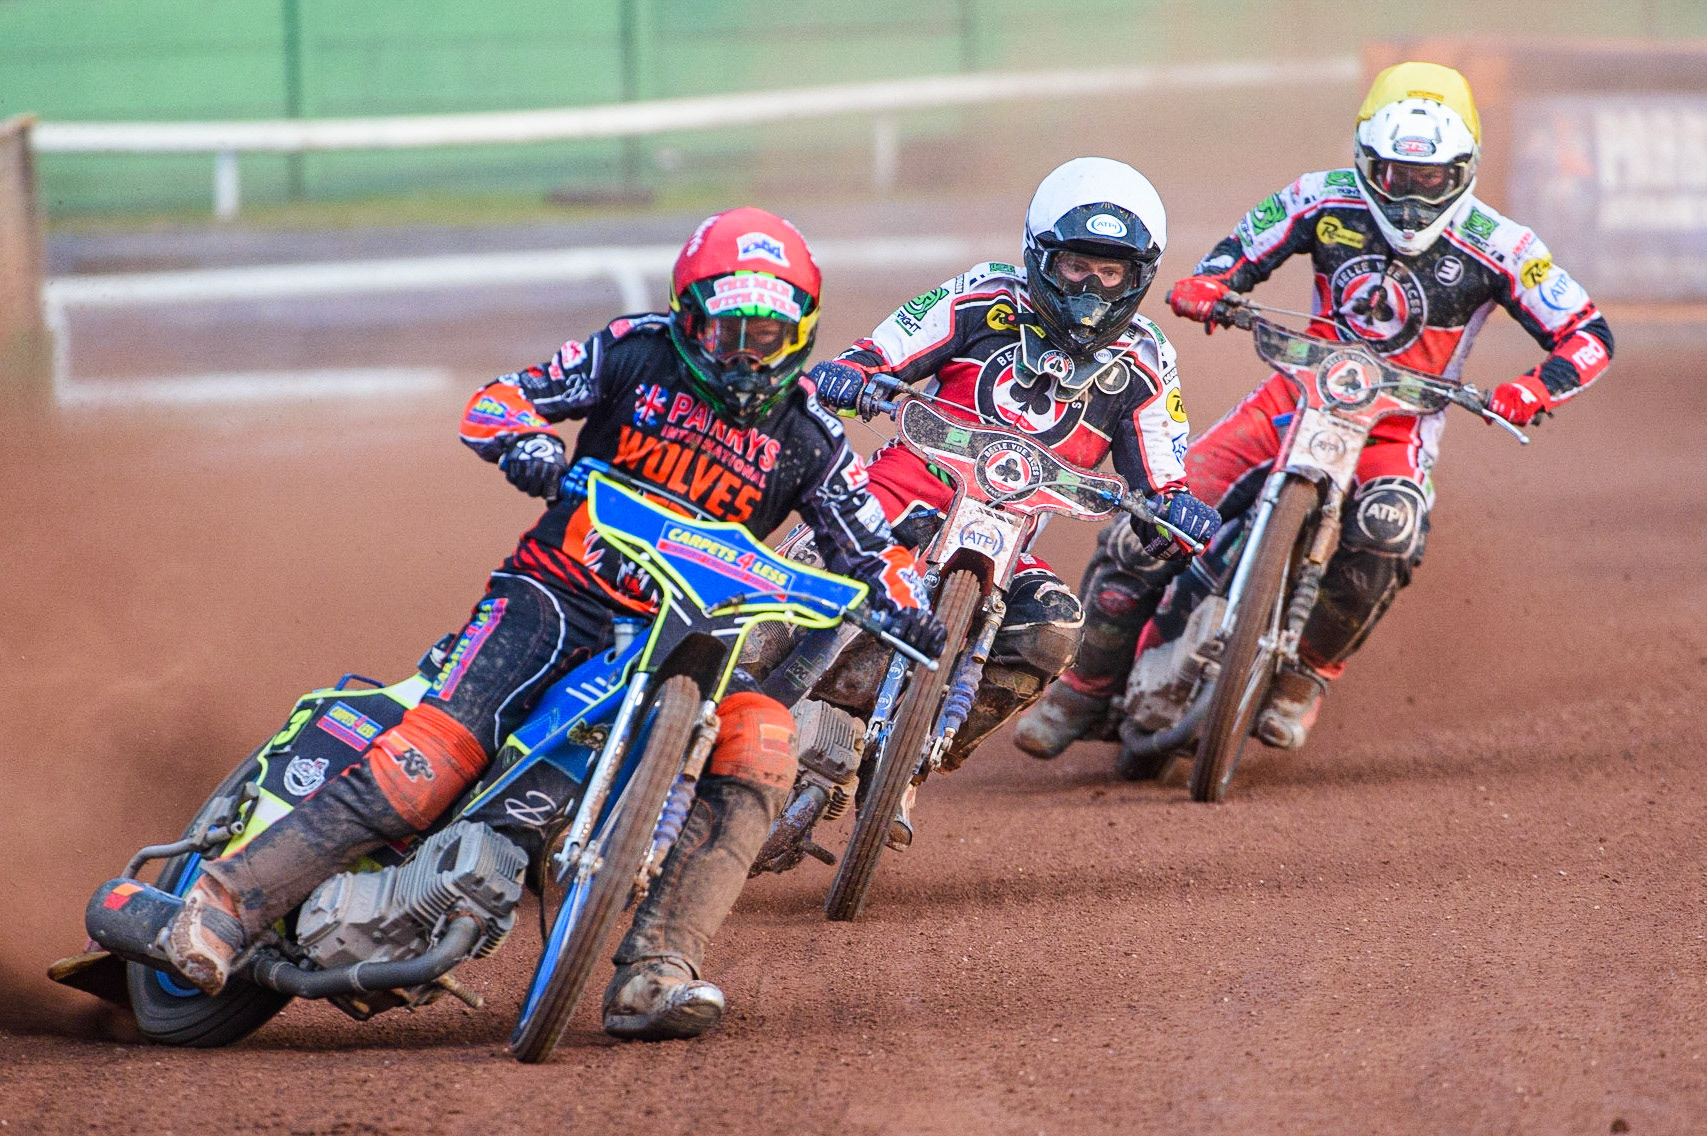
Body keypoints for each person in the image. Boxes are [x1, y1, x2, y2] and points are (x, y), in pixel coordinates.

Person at [163, 207, 945, 1041]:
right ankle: (222, 902)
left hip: (689, 637)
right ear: (689, 319)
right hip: (554, 596)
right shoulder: (633, 351)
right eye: (727, 331)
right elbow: (501, 398)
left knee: (764, 740)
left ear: (803, 335)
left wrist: (908, 604)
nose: (746, 354)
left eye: (768, 335)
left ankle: (659, 970)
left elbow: (875, 547)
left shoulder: (811, 437)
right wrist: (527, 443)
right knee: (433, 759)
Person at [1016, 62, 1615, 758]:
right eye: (1392, 174)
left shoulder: (1502, 245)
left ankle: (1304, 678)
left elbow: (1587, 334)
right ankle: (1082, 690)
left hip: (1397, 429)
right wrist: (1211, 284)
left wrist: (1532, 389)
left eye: (1428, 178)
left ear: (1463, 170)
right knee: (1143, 525)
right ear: (1364, 161)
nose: (1410, 194)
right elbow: (1237, 252)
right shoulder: (1319, 199)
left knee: (1386, 539)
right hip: (1288, 399)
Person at [809, 157, 1220, 837]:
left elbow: (1160, 470)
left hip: (999, 546)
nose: (1090, 288)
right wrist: (852, 373)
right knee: (768, 615)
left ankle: (912, 755)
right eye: (1075, 267)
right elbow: (881, 349)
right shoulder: (982, 296)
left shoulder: (1146, 361)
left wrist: (1171, 508)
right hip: (891, 502)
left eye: (1109, 272)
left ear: (1138, 277)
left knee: (1054, 626)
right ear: (1039, 257)